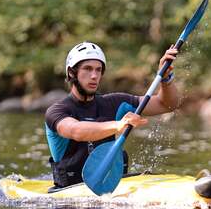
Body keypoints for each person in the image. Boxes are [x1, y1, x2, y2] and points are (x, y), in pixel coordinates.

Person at [45, 41, 179, 190]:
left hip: (112, 189)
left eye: (98, 70)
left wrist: (166, 79)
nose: (94, 76)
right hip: (69, 196)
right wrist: (118, 125)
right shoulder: (57, 111)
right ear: (71, 72)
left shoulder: (115, 103)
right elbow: (75, 130)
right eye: (87, 69)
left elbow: (166, 105)